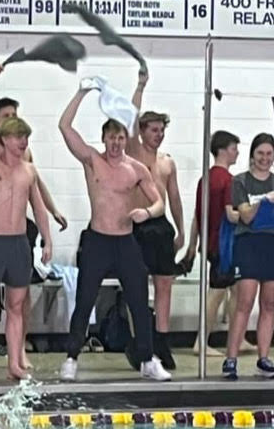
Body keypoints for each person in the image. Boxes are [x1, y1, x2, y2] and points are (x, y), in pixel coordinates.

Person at [57, 87, 170, 382]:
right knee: (84, 301)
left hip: (125, 242)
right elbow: (64, 126)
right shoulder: (92, 160)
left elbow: (159, 203)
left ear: (125, 140)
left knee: (138, 301)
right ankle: (71, 357)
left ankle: (147, 359)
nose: (116, 143)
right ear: (104, 138)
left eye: (121, 138)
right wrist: (81, 92)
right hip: (97, 240)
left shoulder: (136, 169)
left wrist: (146, 213)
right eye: (112, 138)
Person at [0, 62, 67, 369]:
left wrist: (51, 218)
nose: (14, 124)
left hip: (19, 232)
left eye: (16, 117)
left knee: (19, 301)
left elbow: (35, 187)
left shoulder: (26, 156)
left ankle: (17, 355)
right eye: (7, 118)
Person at [221, 133, 274, 380]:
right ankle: (230, 358)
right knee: (244, 301)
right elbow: (246, 216)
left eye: (269, 154)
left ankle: (263, 358)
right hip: (249, 243)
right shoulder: (240, 182)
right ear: (252, 155)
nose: (264, 158)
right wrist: (265, 202)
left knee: (268, 303)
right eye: (260, 153)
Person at [129, 72, 185, 370]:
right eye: (153, 130)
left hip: (161, 226)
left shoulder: (167, 161)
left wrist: (183, 232)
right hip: (136, 225)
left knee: (165, 284)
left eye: (161, 130)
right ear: (142, 131)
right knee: (137, 286)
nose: (158, 135)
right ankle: (142, 342)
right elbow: (129, 116)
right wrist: (140, 86)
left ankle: (162, 341)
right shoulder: (133, 153)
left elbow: (174, 198)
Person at [185, 130, 251, 357]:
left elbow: (197, 216)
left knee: (236, 291)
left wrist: (193, 246)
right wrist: (255, 213)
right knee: (217, 293)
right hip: (225, 245)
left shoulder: (205, 179)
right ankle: (200, 342)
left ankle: (238, 337)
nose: (238, 152)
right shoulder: (228, 181)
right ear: (222, 150)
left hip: (212, 243)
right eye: (234, 148)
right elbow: (232, 215)